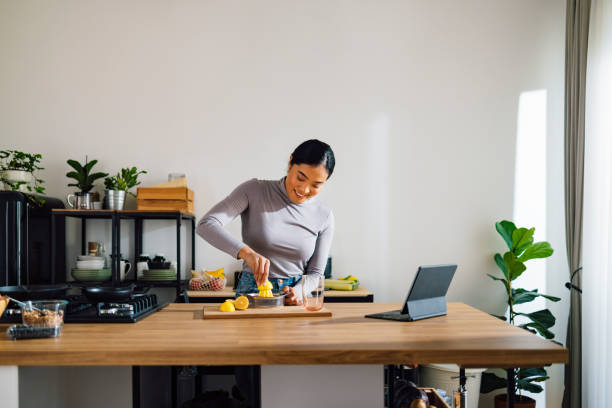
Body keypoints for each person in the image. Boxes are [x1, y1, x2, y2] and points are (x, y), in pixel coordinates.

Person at [197, 139, 335, 305]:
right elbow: (207, 224)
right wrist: (246, 253)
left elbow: (316, 273)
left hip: (297, 298)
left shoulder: (324, 216)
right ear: (291, 162)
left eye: (316, 185)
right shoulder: (254, 191)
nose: (304, 190)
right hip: (252, 292)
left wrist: (297, 292)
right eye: (300, 177)